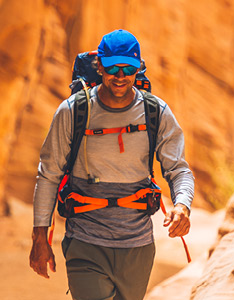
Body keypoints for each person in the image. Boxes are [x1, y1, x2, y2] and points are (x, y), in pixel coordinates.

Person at [28, 29, 195, 300]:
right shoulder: (73, 111)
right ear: (100, 66)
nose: (120, 76)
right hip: (85, 242)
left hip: (137, 247)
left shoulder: (156, 112)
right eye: (112, 67)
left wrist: (182, 205)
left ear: (138, 69)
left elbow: (178, 170)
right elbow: (48, 175)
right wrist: (39, 238)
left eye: (128, 68)